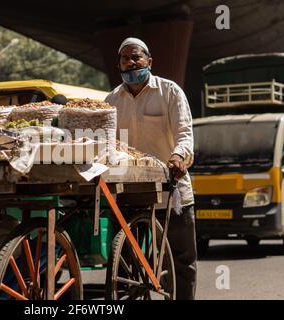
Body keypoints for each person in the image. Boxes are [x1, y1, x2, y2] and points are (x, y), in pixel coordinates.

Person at [105, 37, 197, 300]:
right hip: (129, 190)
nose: (131, 62)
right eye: (125, 58)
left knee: (182, 262)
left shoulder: (170, 91)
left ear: (149, 61)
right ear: (119, 64)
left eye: (137, 57)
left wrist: (179, 156)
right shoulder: (112, 99)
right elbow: (106, 142)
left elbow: (184, 133)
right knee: (124, 262)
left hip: (171, 188)